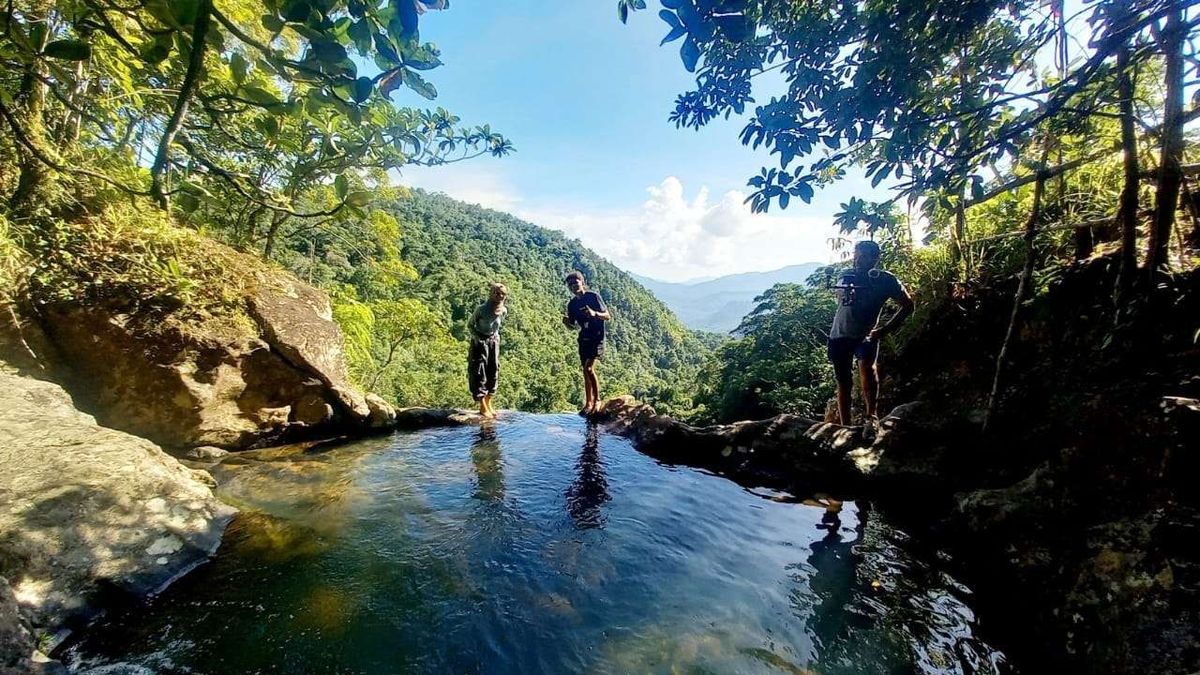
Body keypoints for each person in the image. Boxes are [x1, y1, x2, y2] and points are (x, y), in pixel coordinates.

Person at [827, 240, 914, 435]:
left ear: (876, 259)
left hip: (866, 335)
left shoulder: (885, 280)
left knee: (868, 371)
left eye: (864, 257)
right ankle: (845, 427)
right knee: (843, 381)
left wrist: (884, 330)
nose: (858, 261)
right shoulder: (846, 275)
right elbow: (842, 297)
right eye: (856, 256)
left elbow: (908, 305)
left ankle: (871, 418)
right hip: (839, 334)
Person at [562, 271, 611, 415]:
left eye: (575, 283)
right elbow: (573, 327)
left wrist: (595, 314)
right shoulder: (572, 304)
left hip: (597, 338)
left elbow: (608, 316)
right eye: (570, 285)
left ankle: (597, 401)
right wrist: (566, 323)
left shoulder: (593, 297)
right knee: (585, 371)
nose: (573, 286)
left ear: (582, 282)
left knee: (588, 369)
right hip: (583, 338)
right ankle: (588, 402)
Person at [468, 282, 508, 418]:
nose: (499, 296)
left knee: (493, 368)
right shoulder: (481, 309)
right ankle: (482, 405)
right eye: (496, 293)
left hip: (494, 341)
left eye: (502, 294)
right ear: (491, 293)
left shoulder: (503, 310)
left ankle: (489, 401)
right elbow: (470, 325)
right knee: (480, 370)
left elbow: (497, 326)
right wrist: (477, 337)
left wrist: (495, 338)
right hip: (480, 341)